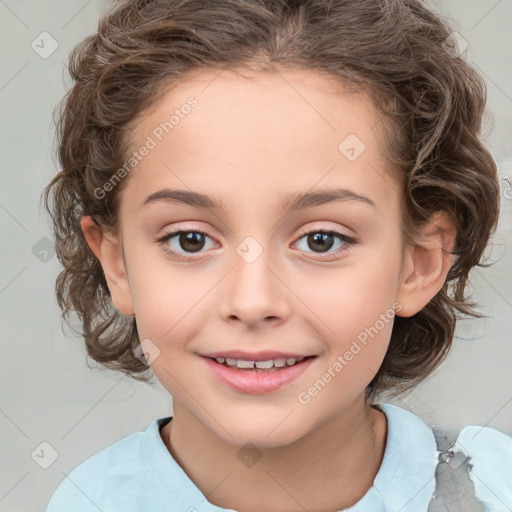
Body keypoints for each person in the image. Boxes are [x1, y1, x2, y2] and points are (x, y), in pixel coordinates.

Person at [42, 0, 512, 510]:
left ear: (419, 262)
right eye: (190, 239)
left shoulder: (494, 489)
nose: (252, 300)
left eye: (321, 240)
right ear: (118, 264)